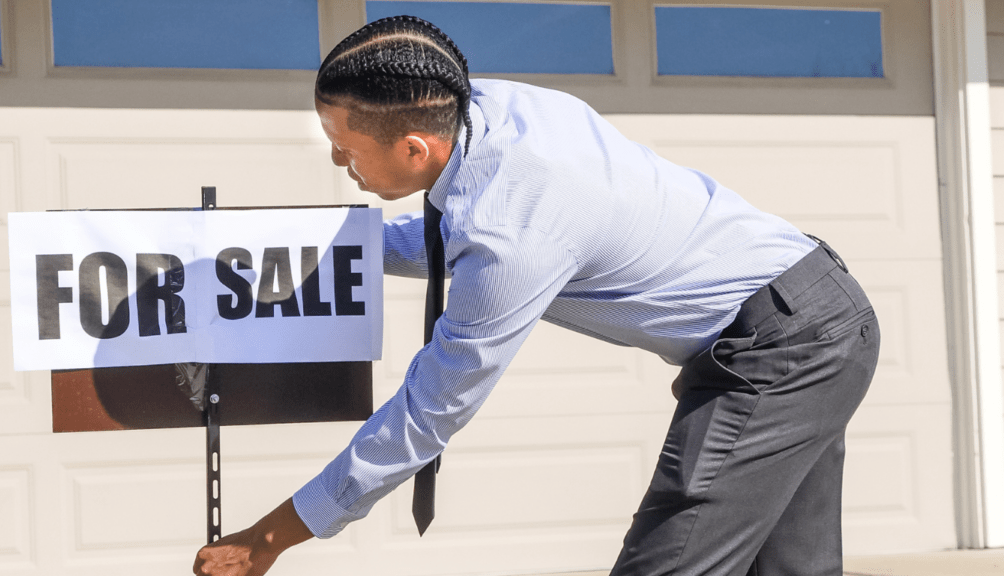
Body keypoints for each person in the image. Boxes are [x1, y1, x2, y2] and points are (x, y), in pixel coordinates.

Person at [193, 15, 880, 576]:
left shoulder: (514, 229)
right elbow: (443, 234)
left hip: (787, 346)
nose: (341, 165)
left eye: (343, 149)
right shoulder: (486, 106)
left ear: (412, 148)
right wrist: (301, 252)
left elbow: (427, 414)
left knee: (668, 566)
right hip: (811, 315)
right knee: (791, 570)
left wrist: (269, 538)